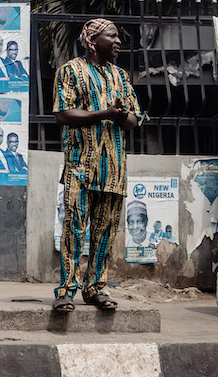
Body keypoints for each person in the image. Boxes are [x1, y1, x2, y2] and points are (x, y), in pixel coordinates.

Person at [53, 18, 141, 313]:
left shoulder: (121, 76)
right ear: (93, 41)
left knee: (105, 233)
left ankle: (97, 289)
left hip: (113, 170)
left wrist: (121, 115)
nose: (118, 41)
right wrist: (105, 112)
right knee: (74, 230)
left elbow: (132, 120)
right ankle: (66, 290)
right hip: (80, 166)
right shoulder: (71, 71)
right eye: (112, 36)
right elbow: (63, 113)